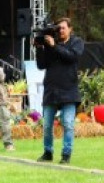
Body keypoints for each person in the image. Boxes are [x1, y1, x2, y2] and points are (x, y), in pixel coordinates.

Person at [35, 17, 83, 164]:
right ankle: (47, 153)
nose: (60, 30)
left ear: (70, 29)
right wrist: (39, 48)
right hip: (51, 90)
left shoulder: (76, 42)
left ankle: (66, 155)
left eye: (63, 28)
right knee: (47, 125)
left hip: (69, 90)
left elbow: (72, 57)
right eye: (58, 28)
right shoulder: (50, 44)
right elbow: (42, 65)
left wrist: (54, 46)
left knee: (68, 123)